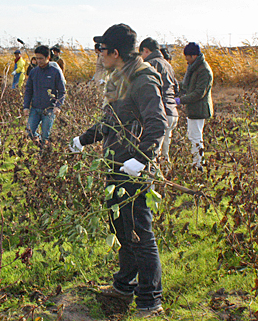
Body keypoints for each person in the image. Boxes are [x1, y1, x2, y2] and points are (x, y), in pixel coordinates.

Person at [70, 24, 166, 318]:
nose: (98, 55)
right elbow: (111, 120)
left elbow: (157, 124)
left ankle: (150, 300)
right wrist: (84, 139)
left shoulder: (142, 79)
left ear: (115, 53)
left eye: (101, 50)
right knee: (121, 227)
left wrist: (141, 159)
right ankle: (124, 285)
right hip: (115, 165)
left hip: (133, 169)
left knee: (140, 232)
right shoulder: (119, 78)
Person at [139, 38, 179, 162]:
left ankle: (155, 179)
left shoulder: (151, 64)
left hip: (160, 113)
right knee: (164, 153)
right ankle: (167, 177)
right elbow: (176, 87)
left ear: (145, 51)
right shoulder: (168, 64)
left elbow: (147, 90)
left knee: (154, 153)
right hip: (172, 112)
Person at [176, 42, 214, 171]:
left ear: (194, 55)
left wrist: (180, 100)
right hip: (194, 108)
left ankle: (198, 164)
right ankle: (196, 161)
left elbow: (199, 93)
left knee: (196, 137)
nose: (186, 59)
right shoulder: (193, 67)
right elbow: (188, 86)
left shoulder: (204, 70)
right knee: (193, 135)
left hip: (199, 108)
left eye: (187, 56)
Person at [23, 45, 66, 146]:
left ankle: (43, 153)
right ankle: (40, 146)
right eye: (37, 58)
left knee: (45, 135)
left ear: (48, 58)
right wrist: (26, 106)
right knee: (29, 132)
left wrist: (58, 106)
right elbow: (28, 91)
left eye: (41, 58)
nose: (39, 61)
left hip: (49, 110)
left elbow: (62, 91)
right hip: (35, 108)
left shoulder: (55, 72)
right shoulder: (33, 72)